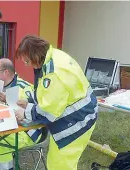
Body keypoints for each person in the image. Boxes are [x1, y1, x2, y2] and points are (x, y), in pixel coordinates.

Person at [14, 35, 98, 170]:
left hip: (76, 121)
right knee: (57, 162)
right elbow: (50, 94)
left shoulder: (54, 73)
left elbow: (48, 111)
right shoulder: (52, 56)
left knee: (60, 166)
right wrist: (30, 101)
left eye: (27, 61)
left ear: (35, 55)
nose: (26, 65)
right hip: (77, 115)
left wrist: (25, 113)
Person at [0, 58, 43, 170]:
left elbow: (35, 112)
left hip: (27, 131)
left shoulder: (24, 87)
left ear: (6, 72)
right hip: (4, 127)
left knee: (1, 141)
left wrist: (9, 100)